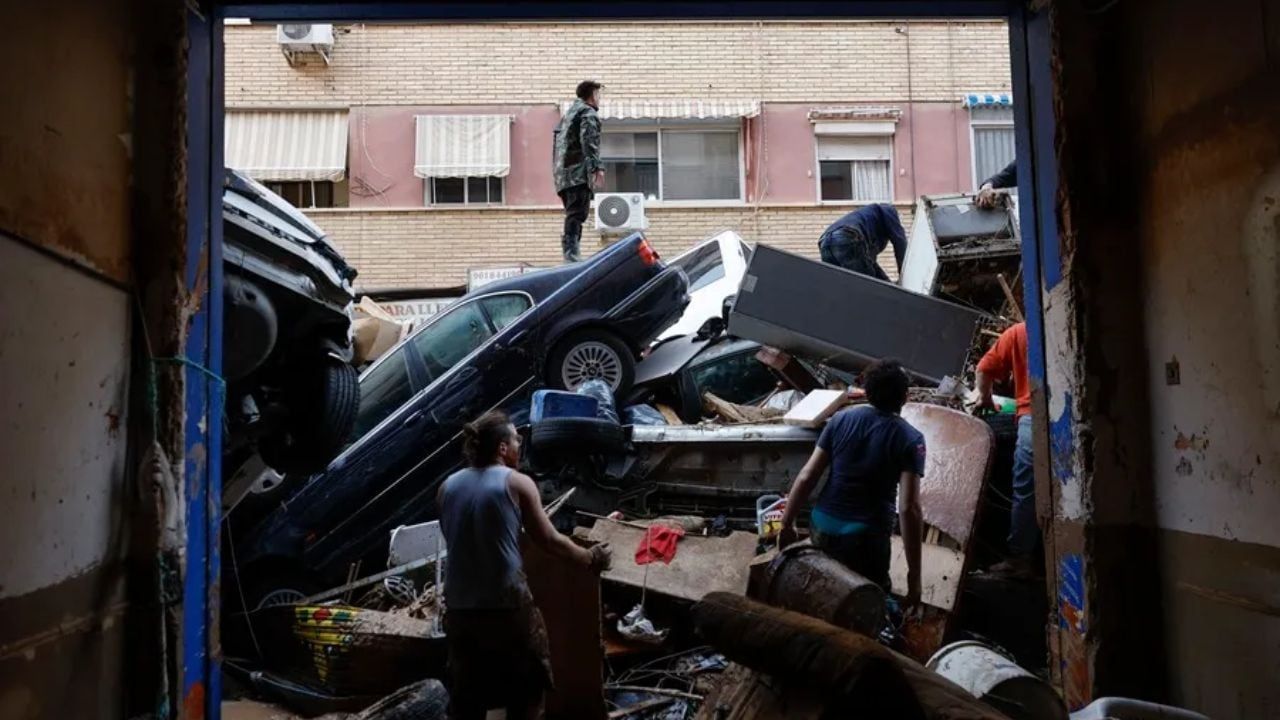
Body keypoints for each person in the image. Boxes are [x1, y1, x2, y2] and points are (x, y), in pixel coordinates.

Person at [437, 411, 611, 720]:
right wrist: (589, 558)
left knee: (468, 696)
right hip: (505, 605)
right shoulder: (517, 483)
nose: (520, 443)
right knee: (527, 692)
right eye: (516, 439)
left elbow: (456, 539)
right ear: (502, 448)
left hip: (459, 607)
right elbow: (548, 540)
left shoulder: (447, 486)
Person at [777, 359, 924, 608]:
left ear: (866, 390)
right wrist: (914, 577)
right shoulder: (910, 439)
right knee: (868, 601)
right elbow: (909, 508)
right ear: (905, 397)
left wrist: (787, 524)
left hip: (821, 527)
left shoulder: (840, 419)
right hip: (864, 538)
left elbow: (807, 476)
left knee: (826, 591)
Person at [974, 321, 1037, 577]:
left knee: (1026, 491)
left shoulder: (1019, 332)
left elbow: (984, 369)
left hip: (1032, 419)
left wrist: (984, 397)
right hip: (1074, 419)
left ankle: (1020, 558)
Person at [552, 80, 605, 263]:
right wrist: (596, 167)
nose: (600, 99)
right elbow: (588, 140)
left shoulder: (568, 115)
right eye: (598, 95)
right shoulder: (587, 113)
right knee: (577, 214)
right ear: (592, 95)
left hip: (562, 177)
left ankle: (571, 254)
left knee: (573, 214)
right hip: (577, 175)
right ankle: (572, 256)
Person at [817, 203, 907, 281]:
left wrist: (887, 283)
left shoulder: (869, 222)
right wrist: (904, 276)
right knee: (868, 286)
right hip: (846, 236)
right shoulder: (887, 210)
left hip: (824, 242)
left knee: (841, 289)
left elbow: (870, 264)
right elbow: (900, 241)